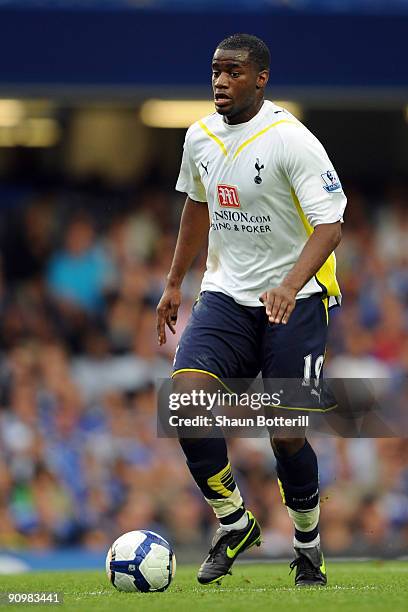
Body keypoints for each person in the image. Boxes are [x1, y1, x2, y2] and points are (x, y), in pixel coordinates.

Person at [157, 33, 347, 586]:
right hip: (225, 296)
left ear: (260, 78)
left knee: (285, 433)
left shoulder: (292, 140)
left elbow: (331, 224)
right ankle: (234, 521)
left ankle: (307, 542)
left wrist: (289, 284)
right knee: (188, 402)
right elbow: (197, 204)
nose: (220, 80)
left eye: (234, 72)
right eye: (216, 70)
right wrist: (174, 282)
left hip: (298, 301)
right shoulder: (199, 137)